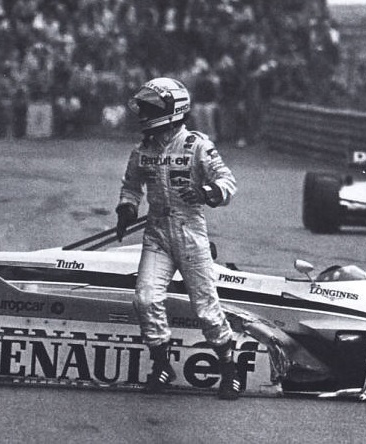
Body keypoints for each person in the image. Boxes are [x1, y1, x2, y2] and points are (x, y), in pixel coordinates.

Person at [115, 77, 242, 400]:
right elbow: (131, 186)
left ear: (173, 109)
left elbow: (227, 182)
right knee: (144, 299)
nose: (143, 112)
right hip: (156, 233)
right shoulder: (142, 150)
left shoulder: (197, 145)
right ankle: (161, 365)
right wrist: (127, 209)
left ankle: (230, 368)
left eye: (150, 107)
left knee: (206, 310)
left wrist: (205, 191)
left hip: (189, 232)